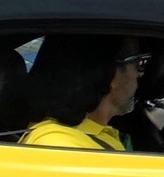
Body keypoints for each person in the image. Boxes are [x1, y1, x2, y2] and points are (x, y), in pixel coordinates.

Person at [21, 35, 152, 152]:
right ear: (111, 73)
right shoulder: (59, 145)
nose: (140, 74)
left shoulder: (93, 134)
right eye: (140, 63)